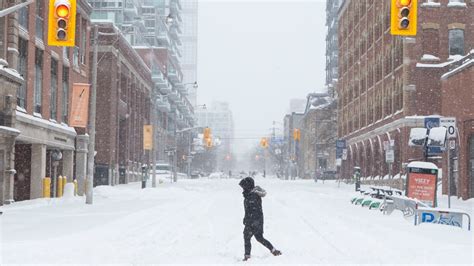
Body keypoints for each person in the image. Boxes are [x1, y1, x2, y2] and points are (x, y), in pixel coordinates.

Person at [239, 177, 281, 261]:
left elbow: (254, 211)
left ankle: (247, 256)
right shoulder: (249, 195)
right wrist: (245, 218)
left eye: (244, 187)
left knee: (248, 237)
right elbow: (248, 210)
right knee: (259, 238)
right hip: (254, 221)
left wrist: (251, 221)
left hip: (254, 221)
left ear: (248, 186)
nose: (243, 189)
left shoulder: (253, 196)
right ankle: (273, 250)